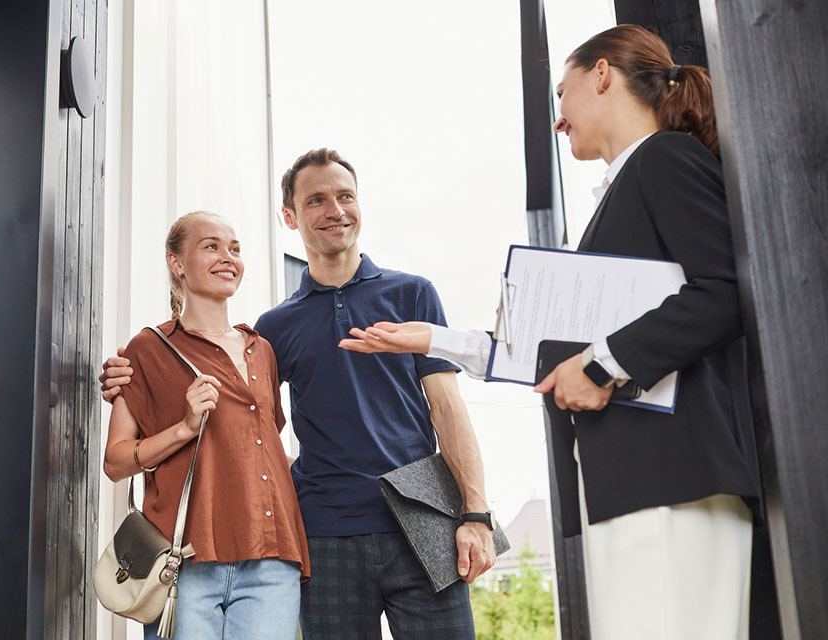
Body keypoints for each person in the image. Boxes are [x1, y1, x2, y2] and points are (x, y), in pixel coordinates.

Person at [340, 25, 762, 640]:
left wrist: (600, 366)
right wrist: (432, 340)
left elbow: (723, 291)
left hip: (674, 480)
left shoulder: (666, 159)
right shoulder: (626, 187)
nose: (558, 119)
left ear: (602, 75)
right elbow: (545, 349)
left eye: (561, 94)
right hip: (633, 483)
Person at [102, 150, 496, 640]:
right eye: (317, 200)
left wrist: (475, 514)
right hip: (323, 533)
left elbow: (449, 411)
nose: (336, 210)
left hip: (423, 523)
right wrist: (127, 375)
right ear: (290, 217)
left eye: (345, 196)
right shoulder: (274, 329)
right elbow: (250, 423)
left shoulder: (412, 294)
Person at [102, 211, 309, 640]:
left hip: (272, 556)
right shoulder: (147, 349)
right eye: (211, 246)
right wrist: (183, 427)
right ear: (176, 263)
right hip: (185, 562)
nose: (227, 256)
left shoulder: (262, 350)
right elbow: (116, 462)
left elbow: (259, 451)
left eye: (234, 248)